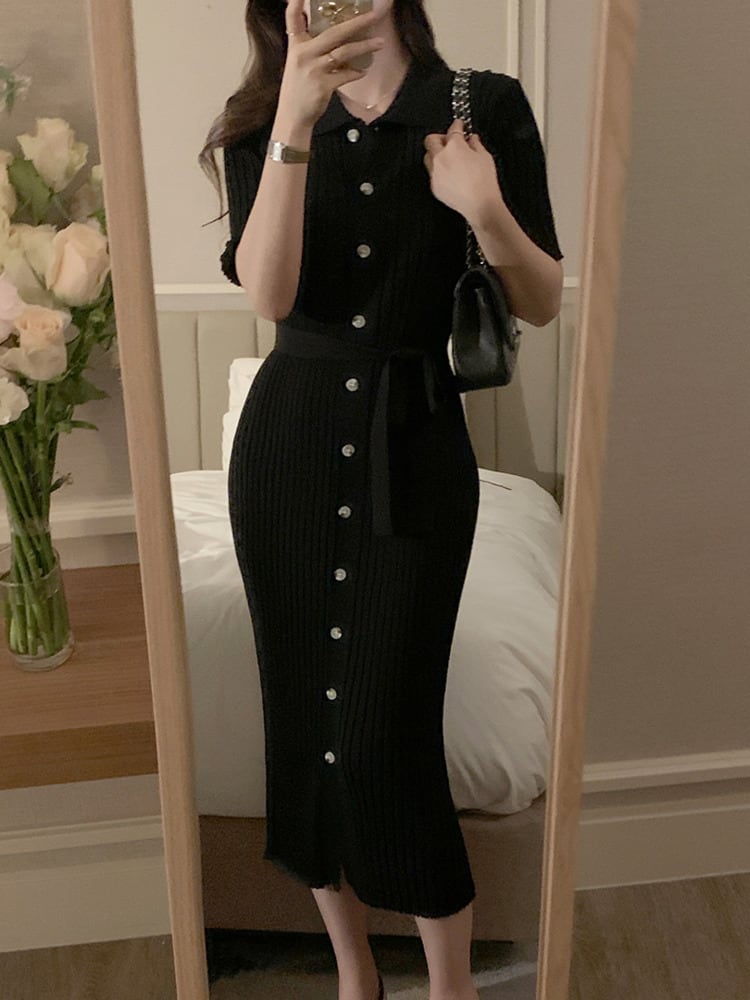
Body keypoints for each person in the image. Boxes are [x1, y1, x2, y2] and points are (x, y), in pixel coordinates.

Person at [199, 1, 564, 998]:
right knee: (304, 725)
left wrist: (483, 207)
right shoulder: (262, 120)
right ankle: (354, 972)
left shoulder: (482, 107)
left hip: (417, 439)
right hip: (288, 449)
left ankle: (449, 986)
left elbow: (540, 299)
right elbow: (270, 296)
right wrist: (292, 124)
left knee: (384, 732)